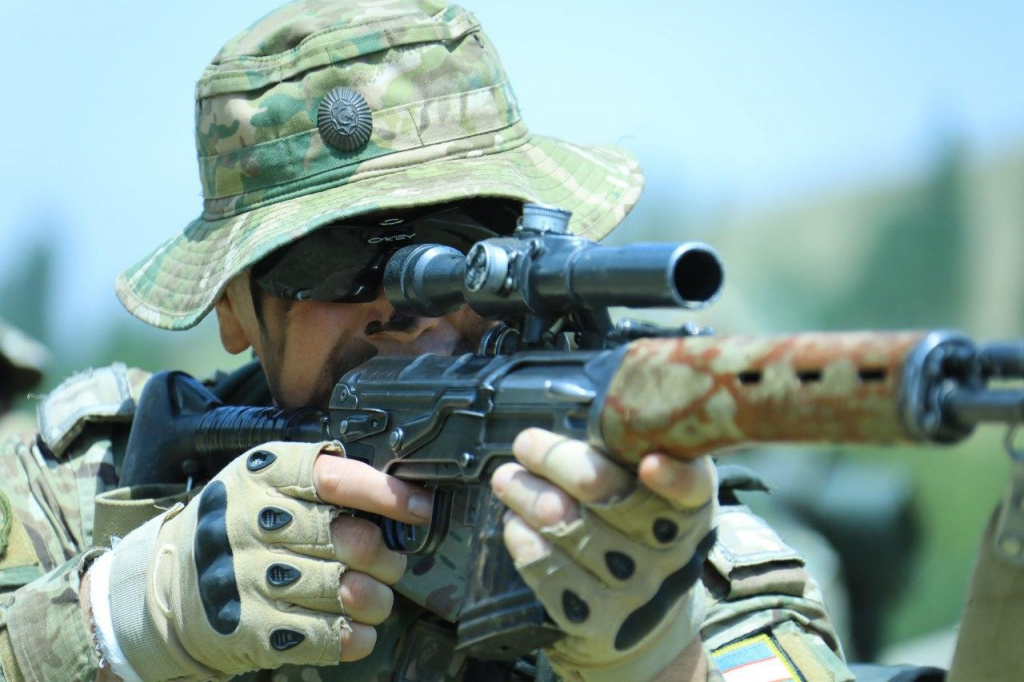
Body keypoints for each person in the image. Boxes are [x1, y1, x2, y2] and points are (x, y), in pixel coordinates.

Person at [0, 2, 856, 680]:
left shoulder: (659, 549)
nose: (405, 308)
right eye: (330, 258)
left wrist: (661, 663)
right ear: (233, 305)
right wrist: (125, 627)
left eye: (462, 237)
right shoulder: (89, 486)